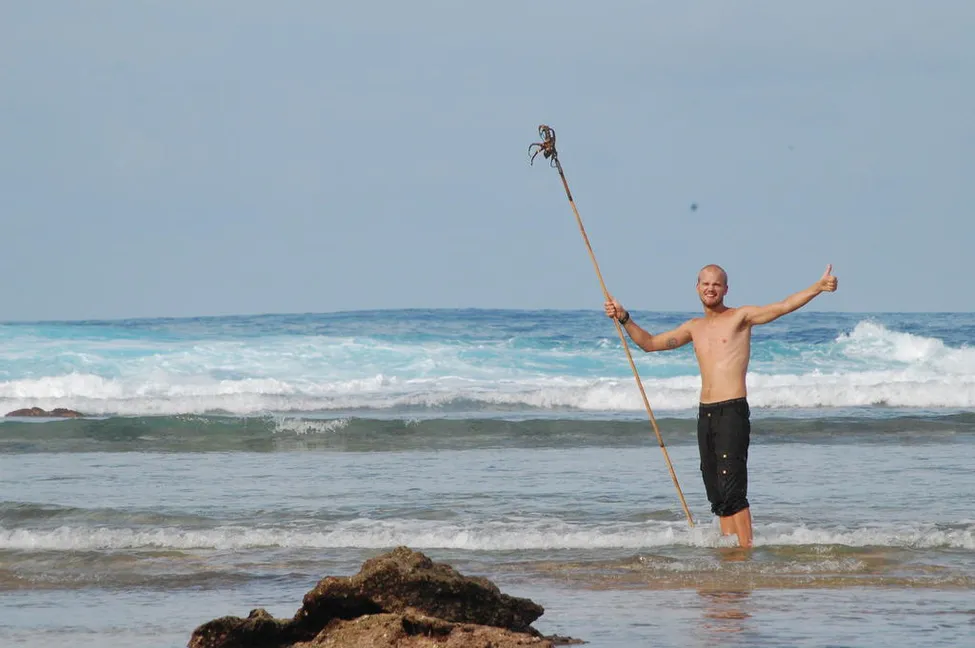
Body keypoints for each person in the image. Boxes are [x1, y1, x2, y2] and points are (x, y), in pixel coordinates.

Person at [604, 263, 838, 548]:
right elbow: (650, 343)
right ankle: (729, 550)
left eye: (716, 284)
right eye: (705, 283)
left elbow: (783, 306)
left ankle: (745, 550)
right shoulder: (694, 328)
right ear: (697, 287)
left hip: (732, 410)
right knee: (715, 488)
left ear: (725, 289)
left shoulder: (740, 317)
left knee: (733, 486)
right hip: (706, 413)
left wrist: (817, 287)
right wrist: (624, 317)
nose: (710, 288)